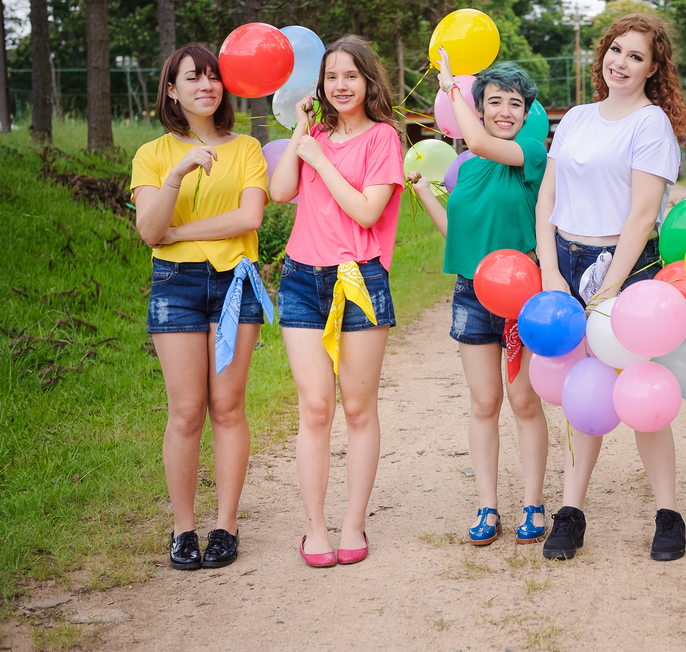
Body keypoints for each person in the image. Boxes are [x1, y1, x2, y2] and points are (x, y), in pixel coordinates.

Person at [535, 13, 686, 561]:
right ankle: (570, 513)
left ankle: (668, 514)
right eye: (615, 51)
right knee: (584, 393)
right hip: (567, 260)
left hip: (621, 264)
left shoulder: (650, 124)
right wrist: (551, 270)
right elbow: (547, 200)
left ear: (654, 69)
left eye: (636, 56)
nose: (620, 63)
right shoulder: (576, 117)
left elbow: (643, 214)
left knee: (640, 388)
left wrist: (610, 287)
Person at [131, 43, 271, 570]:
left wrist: (178, 232)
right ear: (171, 89)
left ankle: (226, 526)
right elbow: (149, 231)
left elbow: (248, 219)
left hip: (235, 283)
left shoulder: (247, 149)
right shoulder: (153, 153)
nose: (206, 86)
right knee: (187, 411)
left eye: (214, 77)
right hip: (175, 284)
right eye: (193, 78)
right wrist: (176, 175)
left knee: (228, 407)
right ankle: (183, 528)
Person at [269, 35, 405, 567]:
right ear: (319, 85)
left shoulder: (383, 140)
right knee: (316, 406)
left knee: (356, 406)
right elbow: (281, 192)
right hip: (303, 279)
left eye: (350, 76)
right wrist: (304, 131)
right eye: (331, 77)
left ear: (369, 81)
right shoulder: (313, 135)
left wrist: (320, 161)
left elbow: (367, 212)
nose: (340, 85)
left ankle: (354, 523)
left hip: (360, 280)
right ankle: (314, 528)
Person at [411, 50, 549, 546]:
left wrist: (450, 85)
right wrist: (426, 194)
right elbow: (460, 234)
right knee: (484, 402)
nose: (505, 111)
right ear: (483, 106)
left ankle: (534, 504)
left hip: (522, 292)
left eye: (515, 102)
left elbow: (476, 139)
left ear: (526, 110)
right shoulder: (468, 169)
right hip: (472, 292)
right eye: (495, 102)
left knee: (524, 399)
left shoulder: (530, 154)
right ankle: (487, 505)